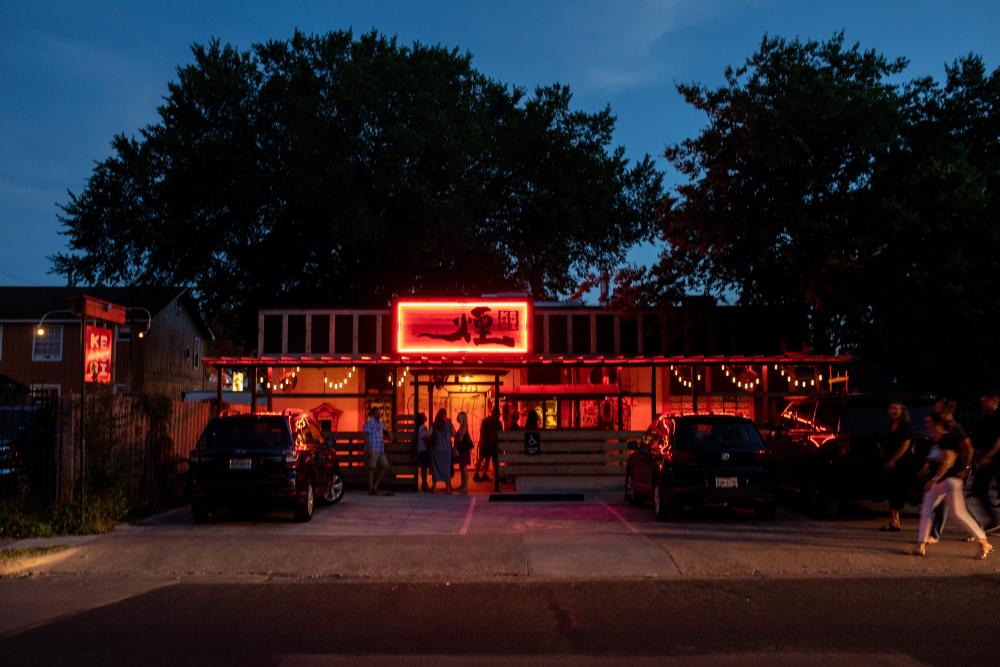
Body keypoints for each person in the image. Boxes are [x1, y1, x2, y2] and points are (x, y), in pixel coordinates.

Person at [912, 413, 992, 559]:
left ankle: (983, 541)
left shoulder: (947, 438)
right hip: (938, 482)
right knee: (926, 510)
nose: (926, 424)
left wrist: (934, 479)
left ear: (938, 423)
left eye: (929, 421)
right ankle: (920, 544)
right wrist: (926, 466)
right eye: (926, 421)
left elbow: (948, 461)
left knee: (958, 514)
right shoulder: (936, 439)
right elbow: (935, 458)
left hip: (949, 481)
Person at [929, 399, 977, 541]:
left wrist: (965, 468)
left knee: (954, 507)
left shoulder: (955, 427)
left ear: (946, 410)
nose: (935, 409)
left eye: (937, 407)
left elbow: (969, 448)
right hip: (946, 470)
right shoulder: (943, 426)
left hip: (955, 470)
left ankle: (934, 535)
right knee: (950, 505)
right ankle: (934, 534)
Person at [969, 391, 1000, 533]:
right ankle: (994, 521)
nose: (982, 404)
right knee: (977, 489)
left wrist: (989, 456)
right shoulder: (986, 417)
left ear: (994, 402)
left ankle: (995, 522)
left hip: (996, 459)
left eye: (984, 401)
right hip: (986, 459)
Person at [880, 402, 913, 532]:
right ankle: (895, 521)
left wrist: (893, 460)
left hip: (902, 463)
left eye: (895, 408)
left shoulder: (905, 425)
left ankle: (895, 521)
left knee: (900, 491)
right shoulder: (891, 424)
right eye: (890, 408)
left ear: (902, 410)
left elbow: (905, 445)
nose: (892, 411)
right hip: (892, 463)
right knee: (893, 490)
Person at [363, 407, 392, 496]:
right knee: (371, 468)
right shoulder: (369, 422)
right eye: (377, 412)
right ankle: (371, 489)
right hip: (373, 446)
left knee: (386, 466)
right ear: (372, 414)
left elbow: (385, 430)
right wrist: (369, 448)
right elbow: (365, 435)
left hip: (380, 448)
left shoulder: (381, 422)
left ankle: (375, 486)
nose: (379, 414)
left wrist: (390, 434)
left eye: (379, 412)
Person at [429, 408, 455, 494]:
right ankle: (447, 488)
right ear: (445, 415)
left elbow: (429, 434)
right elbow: (454, 434)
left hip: (436, 450)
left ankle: (434, 488)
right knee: (446, 468)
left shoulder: (434, 424)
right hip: (446, 450)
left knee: (435, 468)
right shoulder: (449, 424)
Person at [475, 406, 501, 483]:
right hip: (487, 442)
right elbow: (482, 431)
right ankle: (478, 474)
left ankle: (483, 474)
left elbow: (482, 431)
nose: (498, 416)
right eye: (498, 414)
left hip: (490, 443)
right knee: (483, 458)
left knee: (486, 459)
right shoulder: (490, 421)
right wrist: (482, 441)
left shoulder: (489, 421)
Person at [454, 411, 474, 493]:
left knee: (464, 468)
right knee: (462, 468)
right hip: (463, 450)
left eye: (458, 416)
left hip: (463, 450)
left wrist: (455, 435)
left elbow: (460, 438)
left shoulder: (463, 427)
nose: (457, 418)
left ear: (461, 418)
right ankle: (462, 485)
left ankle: (465, 487)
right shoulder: (463, 426)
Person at [414, 412, 430, 492]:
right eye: (424, 416)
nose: (426, 417)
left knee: (424, 468)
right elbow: (424, 438)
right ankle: (424, 484)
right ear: (422, 419)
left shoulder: (419, 427)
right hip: (424, 449)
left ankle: (424, 483)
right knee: (424, 468)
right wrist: (429, 446)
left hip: (421, 449)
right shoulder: (422, 427)